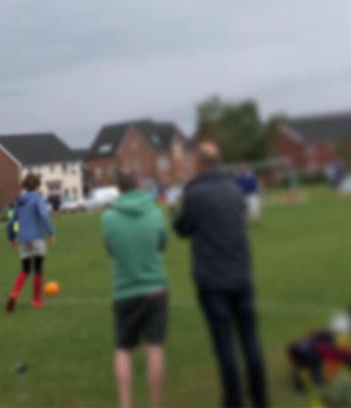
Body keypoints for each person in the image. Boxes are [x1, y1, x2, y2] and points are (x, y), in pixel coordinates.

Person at [173, 141, 268, 408]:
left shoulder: (194, 193)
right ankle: (260, 399)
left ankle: (234, 401)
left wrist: (176, 211)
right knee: (250, 339)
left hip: (213, 280)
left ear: (201, 163)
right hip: (241, 275)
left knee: (224, 343)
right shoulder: (234, 189)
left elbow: (182, 228)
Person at [102, 169, 169, 408]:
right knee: (155, 347)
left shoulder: (108, 218)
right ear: (140, 183)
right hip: (155, 289)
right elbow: (162, 244)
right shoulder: (155, 213)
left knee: (123, 349)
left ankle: (125, 404)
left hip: (125, 291)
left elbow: (110, 249)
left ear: (118, 187)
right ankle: (155, 404)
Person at [5, 173, 55, 311]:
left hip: (22, 239)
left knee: (25, 270)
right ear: (37, 185)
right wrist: (50, 232)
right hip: (37, 237)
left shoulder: (19, 201)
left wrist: (12, 237)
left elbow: (11, 222)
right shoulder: (37, 199)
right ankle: (37, 300)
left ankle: (14, 295)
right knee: (38, 269)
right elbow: (44, 215)